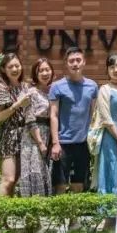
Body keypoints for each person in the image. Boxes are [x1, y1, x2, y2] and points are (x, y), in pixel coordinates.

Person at [49, 47, 99, 194]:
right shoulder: (57, 86)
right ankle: (60, 217)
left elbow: (94, 114)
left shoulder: (92, 86)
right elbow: (53, 115)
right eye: (71, 61)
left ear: (84, 62)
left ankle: (74, 218)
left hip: (83, 143)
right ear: (66, 63)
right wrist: (55, 143)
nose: (75, 64)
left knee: (79, 183)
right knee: (60, 184)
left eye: (78, 60)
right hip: (63, 143)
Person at [0, 52, 30, 196]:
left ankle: (7, 216)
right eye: (10, 67)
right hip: (9, 135)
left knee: (16, 180)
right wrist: (18, 104)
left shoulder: (25, 87)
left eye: (17, 65)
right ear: (3, 69)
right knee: (8, 179)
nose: (15, 69)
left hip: (25, 136)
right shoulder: (1, 88)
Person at [93, 54, 117, 196]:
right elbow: (105, 118)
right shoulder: (104, 89)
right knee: (111, 167)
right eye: (112, 67)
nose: (116, 70)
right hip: (110, 136)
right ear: (107, 70)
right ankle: (108, 213)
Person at [18, 57, 53, 197]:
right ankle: (31, 211)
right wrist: (40, 142)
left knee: (45, 170)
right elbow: (30, 118)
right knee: (33, 169)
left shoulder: (53, 91)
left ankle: (44, 211)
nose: (45, 73)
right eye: (41, 71)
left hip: (47, 133)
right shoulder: (30, 92)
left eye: (47, 70)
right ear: (35, 74)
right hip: (32, 136)